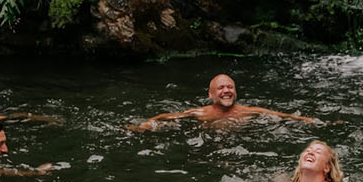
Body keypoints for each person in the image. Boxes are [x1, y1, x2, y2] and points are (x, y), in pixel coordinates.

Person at [133, 74, 321, 130]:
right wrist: (146, 124)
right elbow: (168, 117)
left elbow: (282, 116)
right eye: (221, 88)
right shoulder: (200, 113)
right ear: (211, 94)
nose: (226, 91)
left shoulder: (248, 111)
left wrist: (312, 121)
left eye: (230, 87)